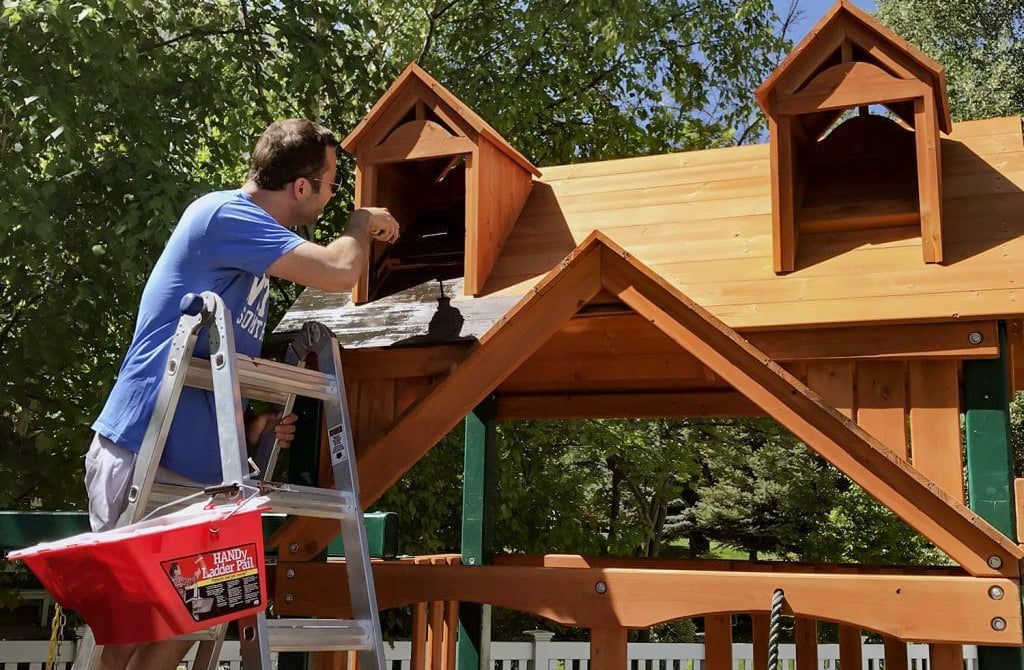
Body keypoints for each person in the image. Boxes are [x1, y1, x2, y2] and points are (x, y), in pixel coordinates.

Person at [84, 118, 399, 670]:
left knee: (192, 620)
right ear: (300, 187)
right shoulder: (225, 215)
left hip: (198, 468)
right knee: (130, 632)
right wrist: (362, 220)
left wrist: (247, 427)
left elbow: (214, 360)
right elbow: (338, 269)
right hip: (144, 451)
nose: (331, 197)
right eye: (329, 184)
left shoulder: (255, 252)